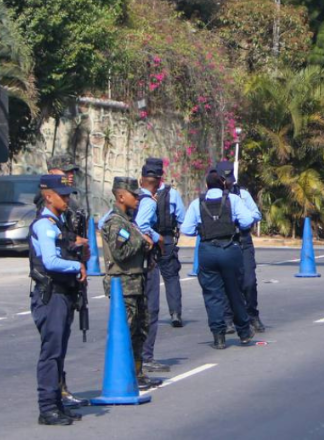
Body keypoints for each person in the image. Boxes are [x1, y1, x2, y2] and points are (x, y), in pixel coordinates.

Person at [28, 175, 87, 426]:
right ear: (48, 196)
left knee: (59, 352)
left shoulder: (58, 222)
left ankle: (57, 404)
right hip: (49, 296)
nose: (67, 199)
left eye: (68, 195)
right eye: (62, 195)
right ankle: (47, 408)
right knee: (51, 353)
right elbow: (50, 262)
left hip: (63, 295)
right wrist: (76, 264)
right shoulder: (44, 225)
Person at [180, 170, 257, 350]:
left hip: (207, 250)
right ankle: (244, 332)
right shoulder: (233, 200)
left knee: (212, 295)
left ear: (206, 186)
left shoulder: (197, 203)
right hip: (229, 248)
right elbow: (247, 221)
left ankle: (218, 337)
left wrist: (203, 228)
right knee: (235, 292)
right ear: (224, 184)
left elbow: (186, 229)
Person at [100, 176, 161, 391]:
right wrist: (141, 241)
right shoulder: (116, 222)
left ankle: (137, 373)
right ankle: (124, 375)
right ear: (120, 196)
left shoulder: (128, 220)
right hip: (123, 284)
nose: (137, 199)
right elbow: (120, 251)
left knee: (139, 330)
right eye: (134, 196)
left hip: (136, 282)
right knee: (125, 331)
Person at [42, 154, 89, 408]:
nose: (70, 176)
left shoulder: (73, 207)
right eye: (65, 171)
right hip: (52, 284)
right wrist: (74, 247)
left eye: (72, 172)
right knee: (53, 345)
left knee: (62, 340)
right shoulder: (47, 205)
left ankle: (59, 392)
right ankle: (53, 396)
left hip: (71, 278)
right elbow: (54, 245)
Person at [134, 158, 184, 373]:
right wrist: (159, 237)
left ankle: (139, 358)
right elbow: (180, 218)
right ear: (161, 177)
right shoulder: (161, 196)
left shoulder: (131, 196)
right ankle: (175, 313)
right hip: (159, 243)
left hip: (138, 255)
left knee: (141, 306)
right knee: (168, 282)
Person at [215, 160, 265, 333]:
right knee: (227, 282)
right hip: (224, 242)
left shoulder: (243, 194)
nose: (228, 183)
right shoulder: (213, 197)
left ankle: (252, 314)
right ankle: (228, 319)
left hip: (242, 241)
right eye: (225, 179)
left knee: (249, 282)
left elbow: (256, 214)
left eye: (230, 180)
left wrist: (242, 216)